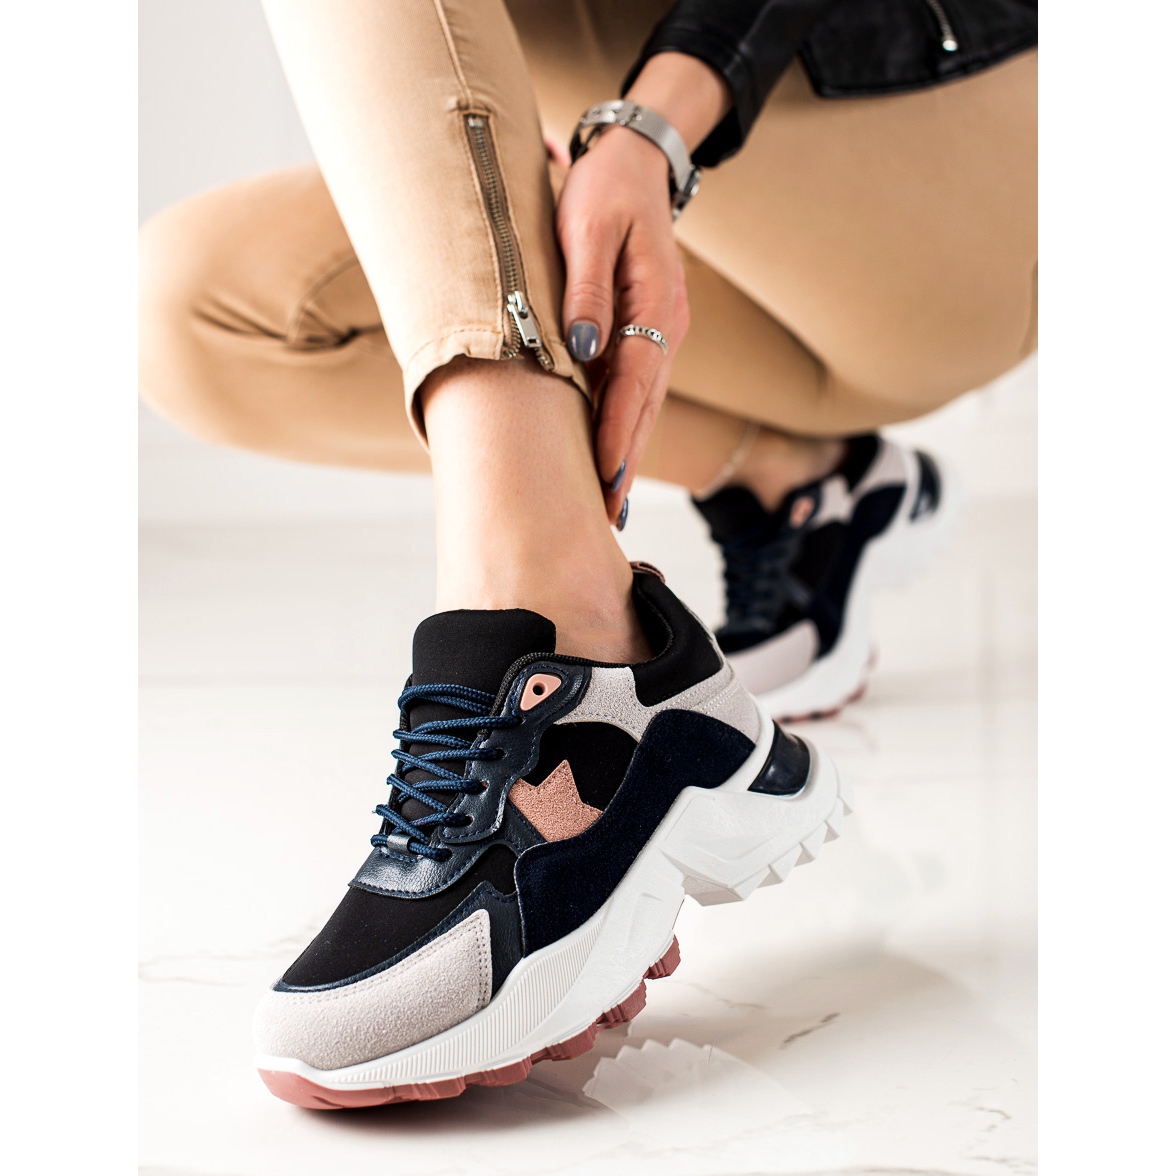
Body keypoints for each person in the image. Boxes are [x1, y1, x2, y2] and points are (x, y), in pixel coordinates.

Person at [139, 0, 1037, 1108]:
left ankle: (559, 626)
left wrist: (653, 127)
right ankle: (785, 486)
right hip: (645, 173)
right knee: (193, 311)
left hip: (935, 133)